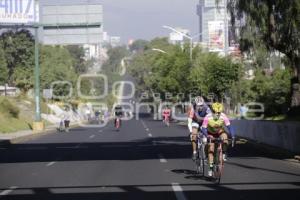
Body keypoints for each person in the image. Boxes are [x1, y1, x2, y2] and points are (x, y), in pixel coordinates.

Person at [201, 102, 235, 177]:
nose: (217, 114)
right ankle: (210, 168)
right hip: (210, 133)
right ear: (212, 111)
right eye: (215, 112)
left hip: (220, 132)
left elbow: (230, 127)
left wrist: (233, 136)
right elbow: (203, 128)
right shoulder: (208, 117)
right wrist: (207, 135)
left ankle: (224, 153)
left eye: (219, 112)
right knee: (211, 148)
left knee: (225, 137)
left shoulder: (223, 116)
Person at [187, 96, 211, 160]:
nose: (200, 107)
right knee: (194, 135)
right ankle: (194, 152)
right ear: (195, 105)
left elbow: (211, 119)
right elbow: (189, 122)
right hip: (195, 121)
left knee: (206, 139)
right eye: (198, 105)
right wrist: (191, 132)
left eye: (201, 105)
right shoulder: (192, 109)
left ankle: (205, 153)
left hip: (204, 122)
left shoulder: (206, 108)